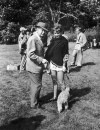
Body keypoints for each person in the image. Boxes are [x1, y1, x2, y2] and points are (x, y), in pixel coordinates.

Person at [26, 22, 48, 108]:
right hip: (34, 67)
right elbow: (30, 54)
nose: (43, 32)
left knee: (35, 85)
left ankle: (35, 100)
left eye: (45, 31)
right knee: (37, 85)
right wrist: (42, 60)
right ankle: (34, 104)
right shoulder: (33, 39)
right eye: (42, 30)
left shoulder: (38, 38)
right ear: (37, 29)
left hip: (37, 66)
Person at [45, 23, 69, 101]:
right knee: (54, 81)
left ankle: (64, 97)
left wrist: (65, 65)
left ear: (61, 32)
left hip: (60, 64)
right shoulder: (52, 40)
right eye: (55, 32)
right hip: (52, 63)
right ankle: (54, 97)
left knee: (61, 82)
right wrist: (47, 65)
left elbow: (66, 53)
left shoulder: (64, 41)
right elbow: (49, 52)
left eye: (58, 32)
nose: (56, 34)